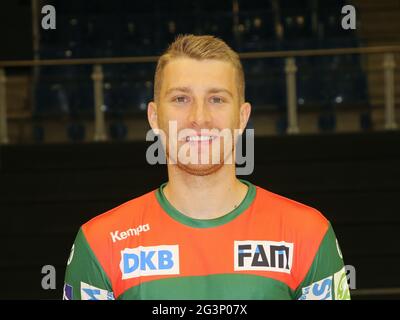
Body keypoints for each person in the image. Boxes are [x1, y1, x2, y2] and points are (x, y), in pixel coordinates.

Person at [63, 34, 350, 300]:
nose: (199, 118)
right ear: (154, 117)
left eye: (216, 99)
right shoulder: (100, 243)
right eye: (180, 99)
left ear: (241, 117)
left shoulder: (308, 234)